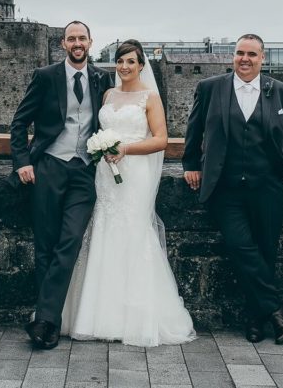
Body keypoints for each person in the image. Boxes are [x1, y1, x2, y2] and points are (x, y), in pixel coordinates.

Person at [61, 40, 196, 347]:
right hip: (105, 174)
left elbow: (161, 140)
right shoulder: (108, 93)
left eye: (130, 62)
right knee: (103, 232)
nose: (124, 67)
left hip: (135, 173)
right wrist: (103, 148)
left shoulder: (149, 97)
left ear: (141, 65)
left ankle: (134, 317)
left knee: (133, 234)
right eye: (120, 61)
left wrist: (125, 148)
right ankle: (97, 314)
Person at [182, 34, 283, 345]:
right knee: (241, 247)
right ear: (232, 57)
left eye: (251, 54)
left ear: (263, 59)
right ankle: (275, 311)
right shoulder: (210, 88)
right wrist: (190, 165)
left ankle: (255, 320)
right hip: (226, 188)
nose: (244, 59)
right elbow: (193, 131)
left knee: (265, 252)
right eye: (239, 53)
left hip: (269, 186)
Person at [9, 21, 114, 350]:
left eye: (82, 38)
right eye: (72, 38)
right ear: (63, 44)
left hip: (85, 170)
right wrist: (23, 161)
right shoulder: (45, 76)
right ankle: (48, 323)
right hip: (49, 166)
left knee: (69, 242)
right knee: (45, 246)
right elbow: (19, 122)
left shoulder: (102, 78)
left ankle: (44, 319)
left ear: (90, 42)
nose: (77, 43)